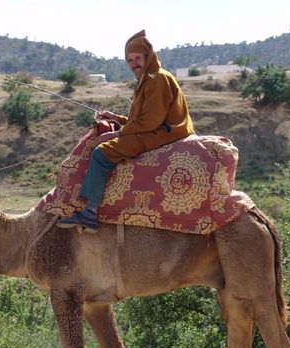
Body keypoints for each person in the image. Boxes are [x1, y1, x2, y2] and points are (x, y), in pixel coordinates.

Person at [57, 29, 195, 233]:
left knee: (102, 153)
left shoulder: (157, 79)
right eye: (129, 60)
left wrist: (115, 133)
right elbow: (140, 119)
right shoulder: (148, 79)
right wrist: (117, 119)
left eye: (137, 58)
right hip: (155, 129)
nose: (134, 64)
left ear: (148, 57)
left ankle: (89, 214)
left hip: (165, 133)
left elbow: (150, 122)